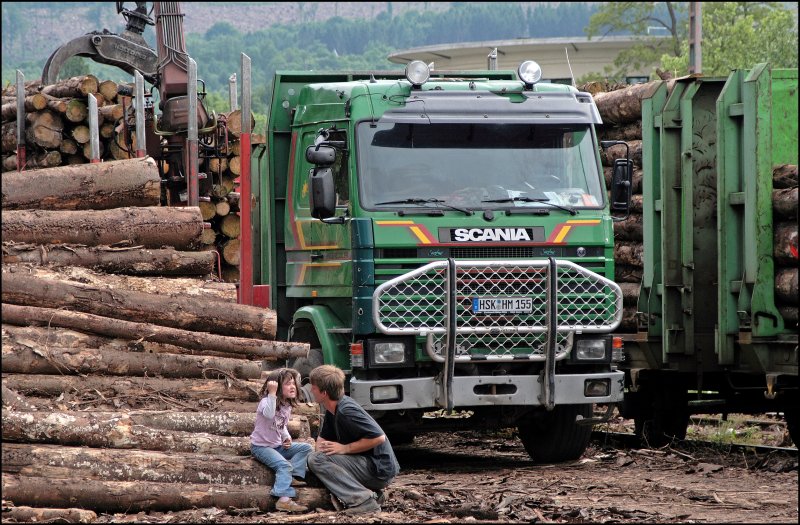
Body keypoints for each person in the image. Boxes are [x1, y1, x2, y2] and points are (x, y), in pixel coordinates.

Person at [307, 365, 400, 515]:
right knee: (315, 459)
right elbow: (322, 440)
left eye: (314, 388)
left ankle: (364, 502)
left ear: (324, 393)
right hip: (367, 466)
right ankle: (374, 495)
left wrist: (345, 448)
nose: (311, 390)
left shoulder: (346, 410)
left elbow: (379, 437)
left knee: (316, 460)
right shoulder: (332, 408)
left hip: (379, 470)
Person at [250, 367, 313, 513]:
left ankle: (293, 475)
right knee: (284, 466)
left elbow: (281, 425)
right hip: (261, 447)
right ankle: (283, 500)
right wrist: (272, 394)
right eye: (288, 383)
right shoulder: (266, 402)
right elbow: (269, 415)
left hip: (277, 446)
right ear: (276, 386)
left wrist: (286, 437)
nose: (293, 386)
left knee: (306, 448)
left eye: (294, 383)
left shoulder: (286, 405)